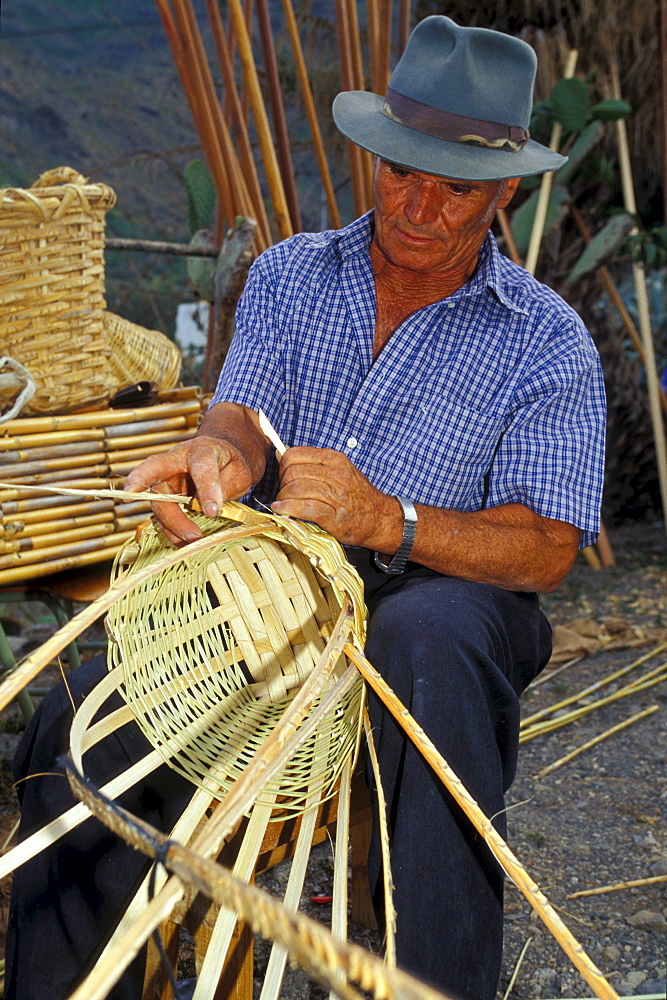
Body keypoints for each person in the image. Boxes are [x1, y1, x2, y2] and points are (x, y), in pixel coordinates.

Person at [5, 15, 606, 1000]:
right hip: (277, 598)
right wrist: (217, 453)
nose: (417, 207)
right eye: (399, 172)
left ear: (500, 193)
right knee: (76, 714)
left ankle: (436, 983)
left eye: (452, 187)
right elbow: (241, 420)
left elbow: (543, 550)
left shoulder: (544, 341)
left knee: (429, 634)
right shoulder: (290, 276)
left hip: (444, 595)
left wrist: (389, 522)